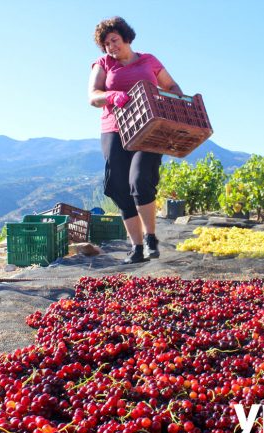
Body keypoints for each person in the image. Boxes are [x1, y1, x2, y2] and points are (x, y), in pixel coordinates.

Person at [88, 16, 183, 264]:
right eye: (106, 44)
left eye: (115, 40)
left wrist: (168, 100)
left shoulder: (149, 60)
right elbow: (93, 95)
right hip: (114, 128)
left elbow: (172, 86)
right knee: (119, 186)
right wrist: (112, 96)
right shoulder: (103, 64)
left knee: (140, 180)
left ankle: (151, 237)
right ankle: (136, 247)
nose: (111, 47)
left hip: (148, 128)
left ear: (126, 37)